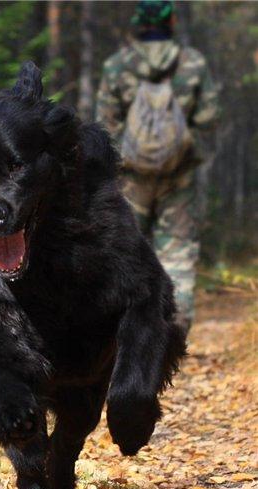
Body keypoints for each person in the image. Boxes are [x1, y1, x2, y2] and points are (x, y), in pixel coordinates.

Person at [96, 0, 219, 334]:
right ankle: (175, 331)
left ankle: (126, 331)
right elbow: (208, 116)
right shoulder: (192, 63)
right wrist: (186, 147)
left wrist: (128, 150)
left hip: (130, 178)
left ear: (138, 23)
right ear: (172, 21)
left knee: (125, 249)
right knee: (177, 251)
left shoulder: (117, 64)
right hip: (179, 176)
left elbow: (104, 123)